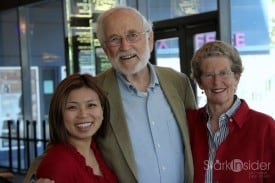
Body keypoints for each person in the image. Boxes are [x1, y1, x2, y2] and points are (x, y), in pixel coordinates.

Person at [24, 6, 197, 183]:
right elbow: (62, 145)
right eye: (115, 39)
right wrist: (36, 179)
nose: (125, 46)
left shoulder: (177, 82)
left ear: (150, 39)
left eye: (132, 35)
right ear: (105, 49)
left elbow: (196, 136)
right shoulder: (94, 92)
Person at [186, 40, 275, 182]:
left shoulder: (264, 126)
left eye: (224, 73)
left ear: (237, 77)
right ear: (199, 82)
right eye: (209, 75)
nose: (216, 82)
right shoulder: (189, 123)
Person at [34, 73, 117, 183]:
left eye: (91, 105)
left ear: (102, 110)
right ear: (59, 114)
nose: (83, 114)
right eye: (72, 107)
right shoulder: (58, 163)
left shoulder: (98, 150)